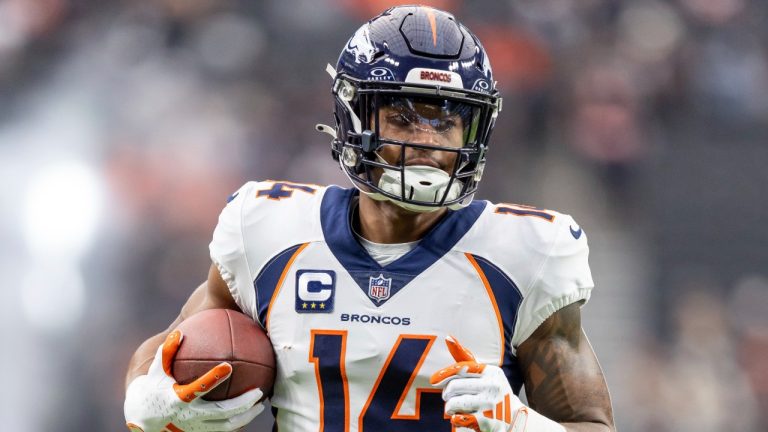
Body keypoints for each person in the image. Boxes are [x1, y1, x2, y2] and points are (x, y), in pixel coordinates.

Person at [123, 5, 615, 432]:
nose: (428, 144)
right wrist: (146, 399)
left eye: (446, 121)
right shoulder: (268, 230)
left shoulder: (526, 253)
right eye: (403, 118)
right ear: (353, 117)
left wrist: (521, 424)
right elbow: (168, 348)